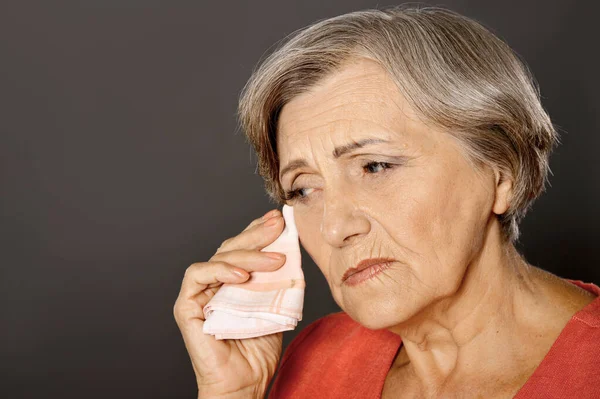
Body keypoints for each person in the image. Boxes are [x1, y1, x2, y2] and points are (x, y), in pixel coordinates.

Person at [173, 5, 600, 398]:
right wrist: (232, 393)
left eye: (374, 166)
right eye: (303, 189)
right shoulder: (318, 361)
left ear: (500, 174)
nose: (335, 228)